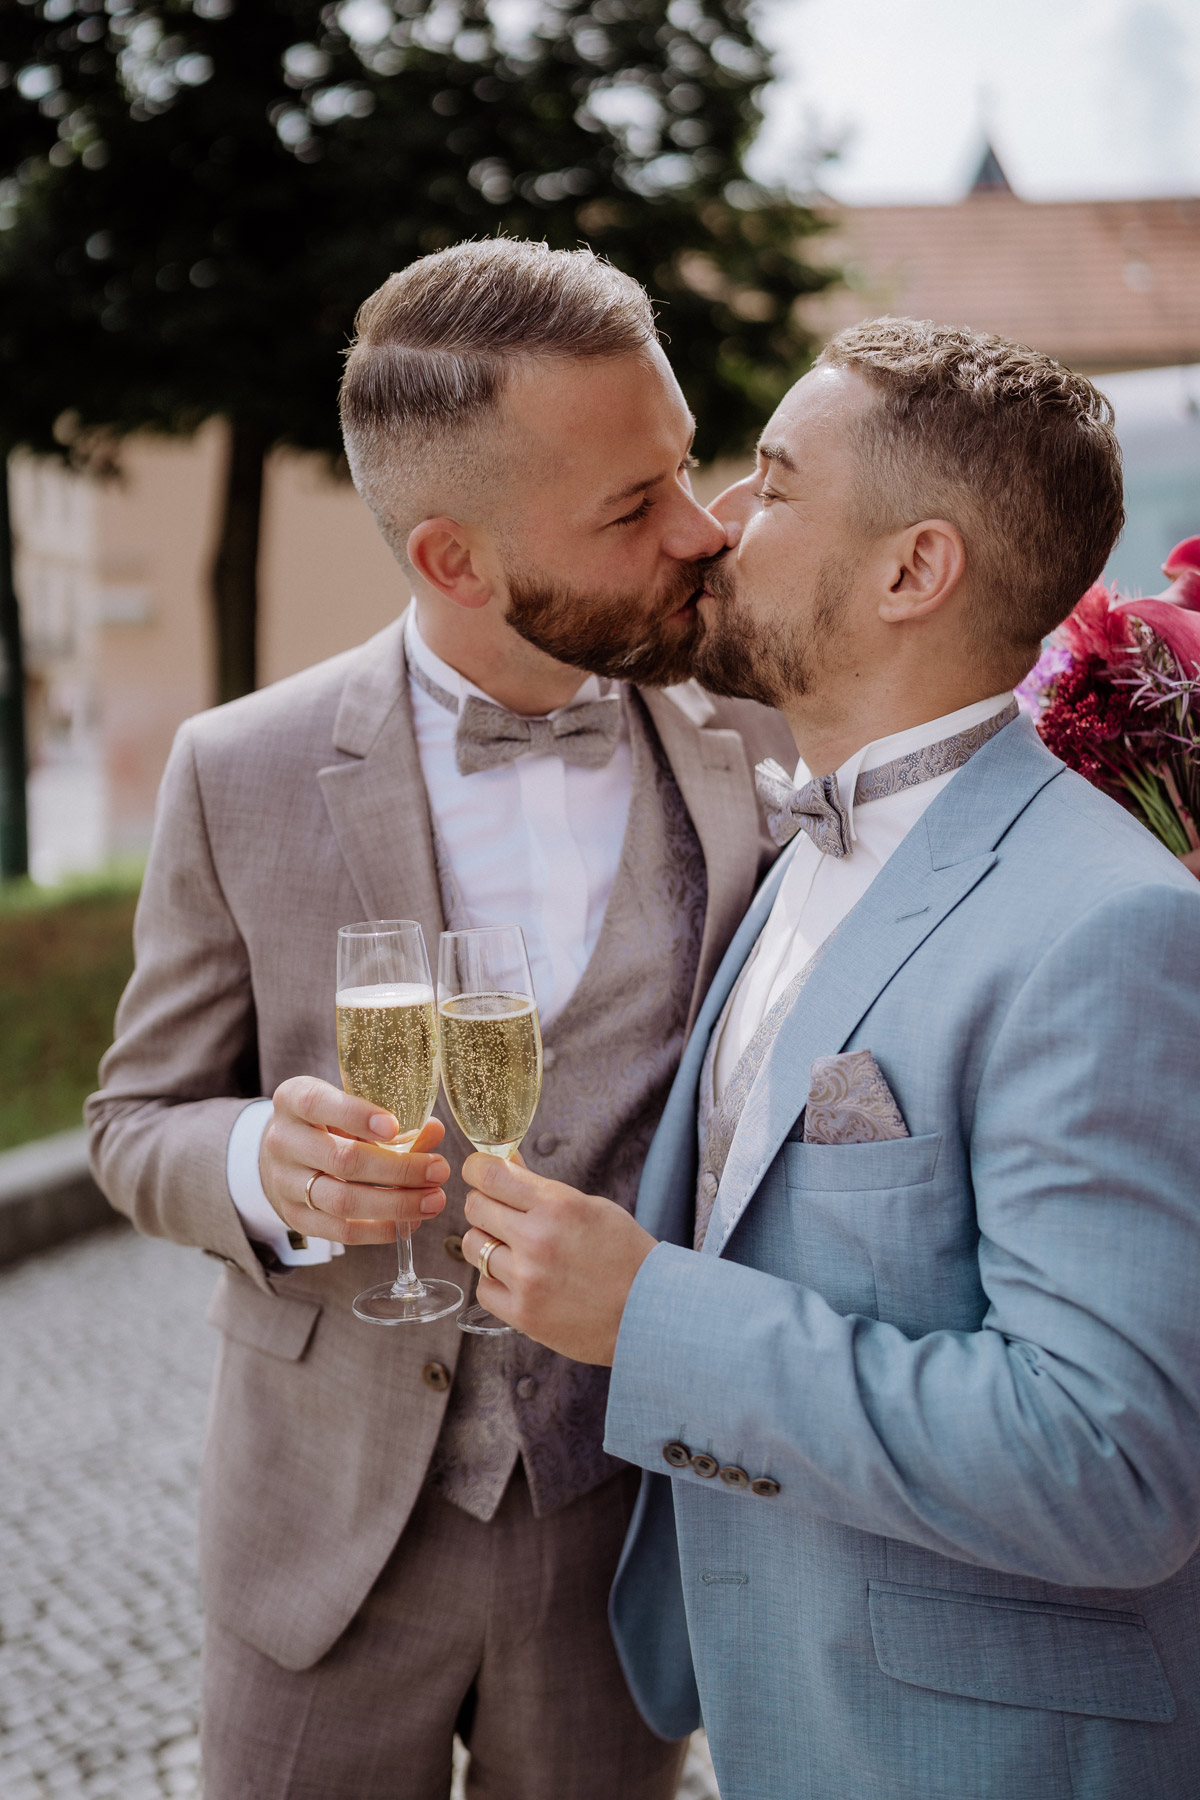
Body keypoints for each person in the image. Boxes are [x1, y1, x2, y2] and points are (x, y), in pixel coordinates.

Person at [86, 239, 794, 1800]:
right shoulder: (241, 770)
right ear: (454, 561)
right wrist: (263, 1159)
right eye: (632, 509)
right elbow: (133, 1126)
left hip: (621, 1521)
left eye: (688, 467)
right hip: (324, 1542)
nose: (703, 529)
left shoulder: (758, 736)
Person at [458, 318, 1200, 1800]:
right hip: (780, 1704)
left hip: (986, 1752)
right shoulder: (792, 849)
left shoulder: (1107, 928)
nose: (716, 524)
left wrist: (650, 1315)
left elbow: (1111, 1463)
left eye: (773, 483)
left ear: (913, 570)